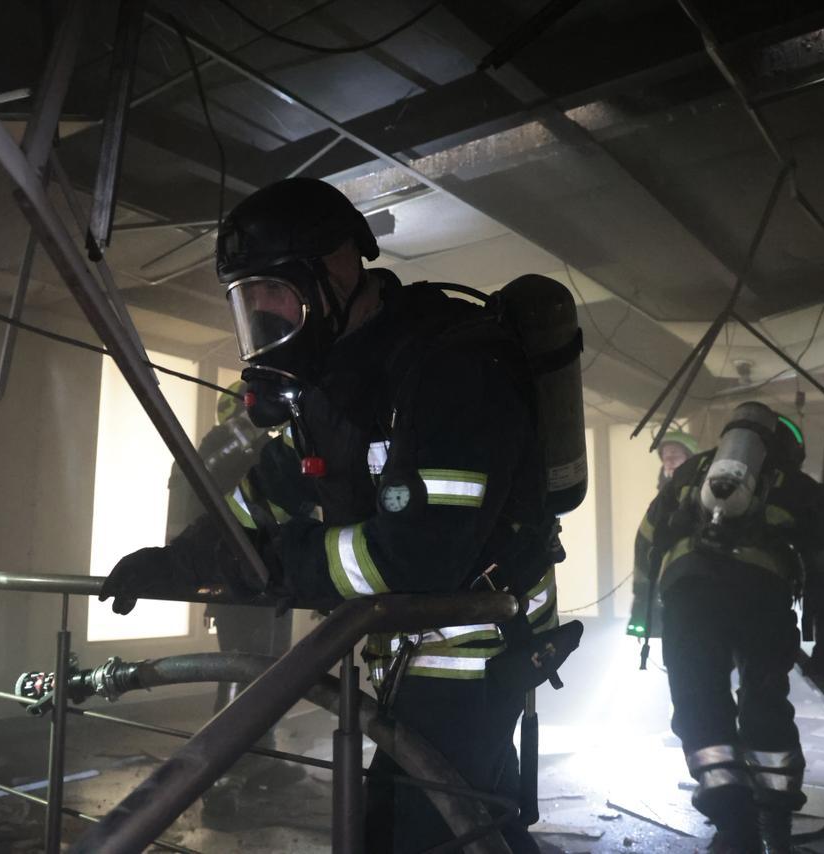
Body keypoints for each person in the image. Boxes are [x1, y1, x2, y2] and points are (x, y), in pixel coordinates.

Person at [100, 177, 569, 853]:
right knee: (469, 827)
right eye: (247, 299)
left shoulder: (453, 369)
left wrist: (272, 564)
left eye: (274, 290)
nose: (262, 315)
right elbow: (265, 497)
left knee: (413, 836)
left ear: (339, 269)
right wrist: (181, 562)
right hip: (413, 652)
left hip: (477, 651)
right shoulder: (333, 388)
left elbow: (415, 558)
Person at [629, 402, 824, 854]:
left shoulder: (693, 473)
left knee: (700, 706)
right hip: (761, 602)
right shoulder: (803, 489)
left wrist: (646, 620)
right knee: (764, 703)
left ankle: (735, 829)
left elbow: (648, 539)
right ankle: (775, 823)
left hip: (688, 597)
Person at [163, 380, 304, 825]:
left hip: (264, 578)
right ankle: (220, 777)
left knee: (267, 667)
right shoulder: (228, 446)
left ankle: (263, 759)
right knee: (242, 671)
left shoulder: (235, 447)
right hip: (241, 581)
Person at [628, 429, 699, 638]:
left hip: (695, 590)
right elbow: (644, 546)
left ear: (690, 459)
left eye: (675, 455)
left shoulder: (705, 496)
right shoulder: (662, 501)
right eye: (666, 456)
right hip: (667, 591)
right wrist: (642, 603)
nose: (669, 461)